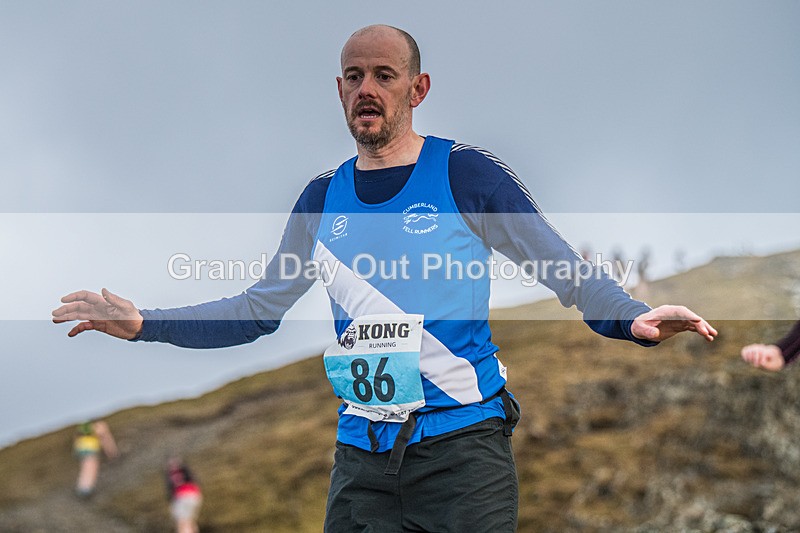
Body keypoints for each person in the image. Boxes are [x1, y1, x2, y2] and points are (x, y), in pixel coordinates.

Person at [53, 24, 717, 531]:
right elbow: (259, 308)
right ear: (338, 91)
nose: (366, 88)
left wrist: (629, 316)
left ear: (417, 88)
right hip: (360, 463)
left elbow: (565, 272)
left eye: (383, 75)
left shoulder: (467, 174)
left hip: (463, 453)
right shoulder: (320, 199)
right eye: (352, 76)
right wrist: (145, 325)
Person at [73, 419, 118, 498]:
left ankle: (82, 488)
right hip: (89, 450)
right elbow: (106, 442)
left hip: (83, 449)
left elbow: (77, 438)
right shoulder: (98, 428)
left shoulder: (85, 428)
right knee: (90, 469)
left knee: (86, 468)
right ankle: (85, 490)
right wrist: (112, 453)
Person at [165, 457, 203, 533]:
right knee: (190, 522)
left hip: (182, 497)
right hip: (195, 496)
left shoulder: (172, 475)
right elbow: (196, 483)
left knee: (182, 523)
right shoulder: (186, 472)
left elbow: (171, 492)